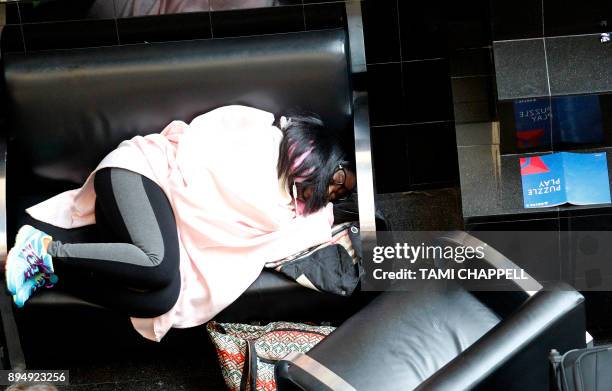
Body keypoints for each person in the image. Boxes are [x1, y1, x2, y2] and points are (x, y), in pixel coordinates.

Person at [5, 105, 356, 342]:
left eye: (342, 194)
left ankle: (51, 271)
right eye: (340, 176)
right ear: (323, 155)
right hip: (144, 173)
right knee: (157, 265)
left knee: (163, 299)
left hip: (164, 218)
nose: (335, 190)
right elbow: (199, 161)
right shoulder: (263, 135)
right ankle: (45, 249)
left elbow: (302, 235)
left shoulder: (292, 206)